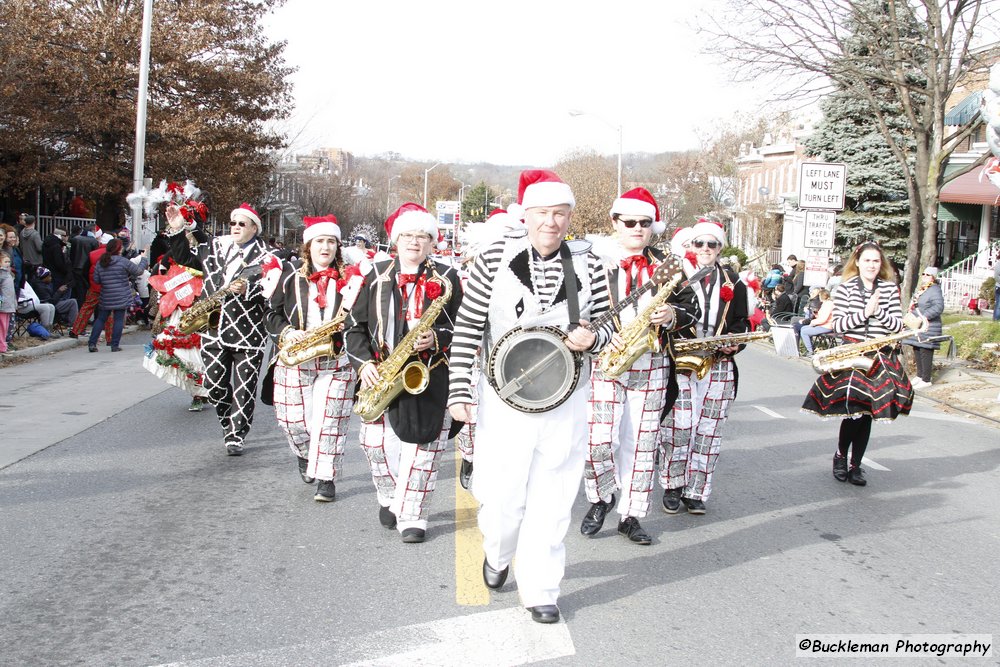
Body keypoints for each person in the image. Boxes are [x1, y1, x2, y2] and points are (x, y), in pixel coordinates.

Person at [447, 170, 612, 624]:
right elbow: (468, 326)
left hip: (566, 399)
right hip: (505, 399)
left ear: (570, 217)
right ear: (526, 216)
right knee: (502, 499)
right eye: (542, 213)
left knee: (554, 497)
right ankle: (497, 554)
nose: (551, 222)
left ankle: (541, 587)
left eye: (560, 214)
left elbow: (607, 325)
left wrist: (591, 340)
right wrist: (460, 388)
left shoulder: (589, 263)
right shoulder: (494, 257)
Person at [579, 188, 699, 545]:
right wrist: (597, 335)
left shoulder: (668, 264)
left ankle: (630, 515)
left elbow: (691, 310)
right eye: (629, 222)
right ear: (615, 222)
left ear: (653, 227)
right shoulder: (593, 262)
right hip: (606, 361)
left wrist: (673, 315)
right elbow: (578, 313)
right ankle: (601, 496)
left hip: (652, 362)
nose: (637, 228)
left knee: (641, 443)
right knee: (597, 442)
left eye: (645, 223)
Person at [345, 203, 463, 543]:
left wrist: (438, 337)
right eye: (408, 235)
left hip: (431, 372)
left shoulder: (448, 277)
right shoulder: (375, 276)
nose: (415, 241)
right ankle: (391, 496)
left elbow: (467, 326)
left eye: (423, 236)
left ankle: (414, 516)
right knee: (374, 444)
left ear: (432, 242)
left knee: (424, 449)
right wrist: (364, 363)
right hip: (383, 372)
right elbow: (354, 327)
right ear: (396, 239)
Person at [802, 241, 914, 487]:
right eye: (867, 261)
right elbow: (838, 326)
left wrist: (878, 313)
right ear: (858, 263)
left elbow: (898, 327)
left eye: (876, 261)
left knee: (868, 414)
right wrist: (864, 312)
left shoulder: (889, 289)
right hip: (853, 355)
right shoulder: (845, 289)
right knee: (853, 411)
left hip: (879, 356)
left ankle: (856, 465)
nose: (872, 265)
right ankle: (841, 456)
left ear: (880, 264)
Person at [267, 215, 362, 503]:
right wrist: (287, 332)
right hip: (296, 359)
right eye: (320, 241)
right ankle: (305, 453)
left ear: (338, 246)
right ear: (309, 245)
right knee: (293, 422)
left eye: (331, 242)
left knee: (330, 421)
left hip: (337, 362)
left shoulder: (353, 279)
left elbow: (363, 319)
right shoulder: (289, 276)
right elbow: (271, 314)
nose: (326, 247)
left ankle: (326, 478)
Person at [659, 218, 750, 516]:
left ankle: (696, 491)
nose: (706, 249)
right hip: (682, 362)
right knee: (680, 427)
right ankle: (672, 485)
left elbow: (741, 323)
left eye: (712, 244)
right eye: (700, 243)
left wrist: (734, 342)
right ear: (692, 246)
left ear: (720, 248)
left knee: (709, 431)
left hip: (718, 363)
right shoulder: (677, 275)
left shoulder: (732, 280)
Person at [179, 203, 271, 456]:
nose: (236, 228)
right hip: (213, 329)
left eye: (242, 224)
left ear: (254, 227)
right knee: (214, 385)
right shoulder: (215, 248)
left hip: (248, 333)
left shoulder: (268, 257)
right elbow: (184, 257)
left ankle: (237, 434)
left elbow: (275, 292)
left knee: (244, 388)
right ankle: (226, 422)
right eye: (233, 223)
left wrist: (249, 290)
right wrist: (179, 230)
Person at [143, 200, 212, 411]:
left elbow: (196, 258)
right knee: (172, 347)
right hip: (177, 306)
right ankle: (197, 390)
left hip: (199, 305)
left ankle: (202, 391)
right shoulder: (174, 251)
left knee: (196, 351)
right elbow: (161, 269)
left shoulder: (207, 249)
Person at [88, 239, 148, 352]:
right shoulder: (123, 261)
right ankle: (114, 345)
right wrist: (143, 258)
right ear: (119, 249)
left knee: (100, 319)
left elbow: (96, 279)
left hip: (106, 295)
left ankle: (92, 343)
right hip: (121, 295)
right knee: (119, 319)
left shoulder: (101, 262)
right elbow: (139, 271)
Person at [903, 267, 944, 389]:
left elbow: (939, 306)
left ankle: (926, 379)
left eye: (928, 274)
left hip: (928, 326)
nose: (925, 276)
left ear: (934, 278)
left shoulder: (935, 290)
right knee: (917, 348)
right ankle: (920, 376)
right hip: (918, 326)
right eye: (923, 274)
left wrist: (924, 316)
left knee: (926, 351)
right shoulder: (923, 289)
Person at [70, 238, 114, 343]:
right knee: (110, 313)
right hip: (109, 289)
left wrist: (90, 283)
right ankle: (110, 338)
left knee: (86, 309)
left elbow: (85, 271)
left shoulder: (92, 254)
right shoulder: (114, 255)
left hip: (94, 287)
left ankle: (75, 330)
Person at [29, 266, 79, 330]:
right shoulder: (41, 287)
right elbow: (50, 301)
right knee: (73, 302)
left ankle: (69, 322)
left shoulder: (46, 284)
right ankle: (73, 324)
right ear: (44, 277)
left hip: (53, 302)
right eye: (49, 276)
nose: (51, 278)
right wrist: (59, 291)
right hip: (49, 305)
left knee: (70, 300)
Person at [796, 288, 834, 355]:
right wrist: (815, 314)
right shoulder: (825, 304)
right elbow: (821, 317)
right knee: (803, 328)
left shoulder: (828, 304)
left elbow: (823, 319)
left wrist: (813, 323)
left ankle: (810, 350)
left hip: (826, 326)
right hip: (823, 325)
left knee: (804, 331)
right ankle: (810, 347)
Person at [69, 223, 99, 306]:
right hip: (87, 269)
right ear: (93, 230)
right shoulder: (93, 241)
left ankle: (78, 310)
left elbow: (72, 254)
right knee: (86, 291)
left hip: (76, 267)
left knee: (78, 290)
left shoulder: (76, 239)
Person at [18, 215, 43, 280]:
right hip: (36, 261)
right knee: (36, 281)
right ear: (34, 222)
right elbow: (39, 248)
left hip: (26, 260)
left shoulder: (22, 232)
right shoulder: (35, 234)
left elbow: (21, 247)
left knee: (29, 280)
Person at [0, 251, 15, 354]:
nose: (8, 263)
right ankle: (2, 347)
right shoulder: (1, 274)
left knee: (5, 327)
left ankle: (3, 345)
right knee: (1, 326)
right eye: (5, 261)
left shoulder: (8, 273)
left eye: (9, 261)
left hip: (9, 304)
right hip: (2, 305)